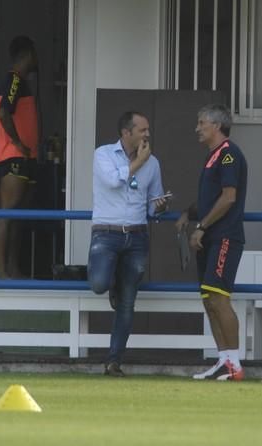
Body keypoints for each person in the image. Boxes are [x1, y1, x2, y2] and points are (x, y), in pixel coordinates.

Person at [88, 111, 169, 377]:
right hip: (106, 233)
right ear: (126, 133)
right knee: (99, 284)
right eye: (142, 130)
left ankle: (114, 361)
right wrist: (138, 163)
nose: (147, 134)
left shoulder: (153, 163)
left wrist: (161, 204)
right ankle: (113, 282)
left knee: (127, 303)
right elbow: (112, 181)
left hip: (137, 235)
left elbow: (154, 202)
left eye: (147, 130)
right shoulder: (103, 154)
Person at [175, 104, 248, 381]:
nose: (197, 128)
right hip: (210, 237)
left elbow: (229, 197)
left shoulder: (229, 155)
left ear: (217, 126)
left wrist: (202, 227)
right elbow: (210, 198)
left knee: (219, 298)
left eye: (201, 122)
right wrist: (188, 213)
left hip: (224, 236)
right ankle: (224, 360)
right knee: (209, 300)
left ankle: (236, 364)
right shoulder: (212, 157)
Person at [0, 36, 40, 279]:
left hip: (26, 158)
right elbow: (3, 112)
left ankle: (12, 268)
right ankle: (2, 273)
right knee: (8, 212)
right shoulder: (13, 79)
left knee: (19, 216)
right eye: (34, 53)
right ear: (27, 54)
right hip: (13, 156)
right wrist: (19, 144)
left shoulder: (21, 82)